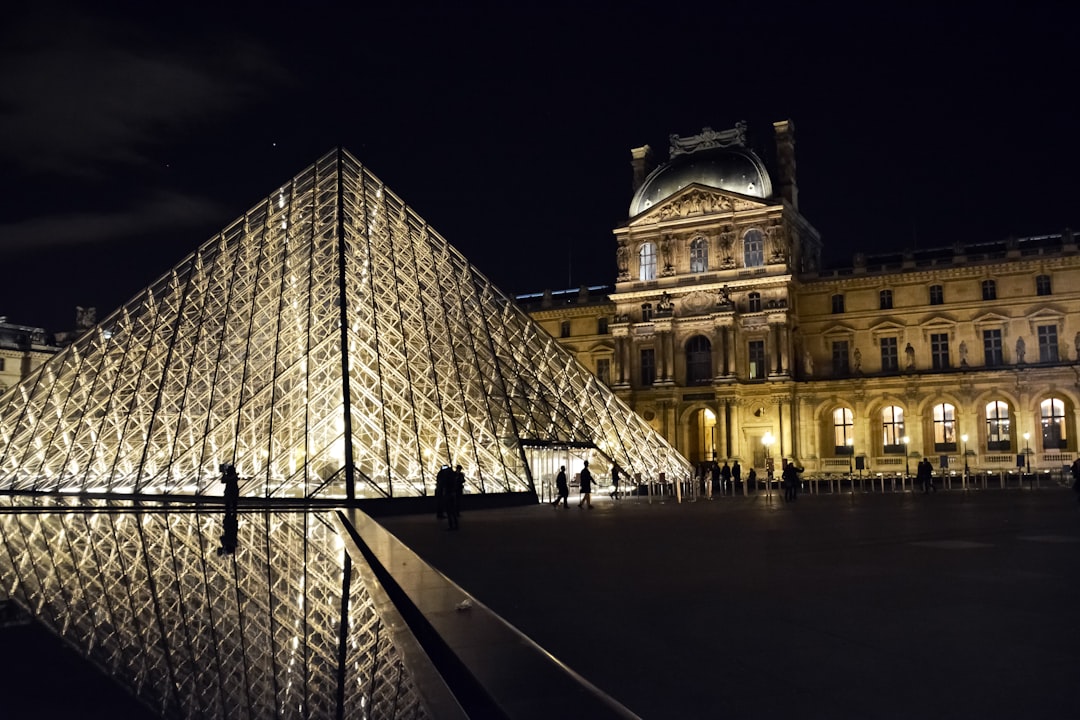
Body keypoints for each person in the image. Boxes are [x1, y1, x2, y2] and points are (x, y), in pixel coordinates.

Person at [446, 464, 465, 530]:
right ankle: (455, 523)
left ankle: (453, 524)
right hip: (455, 492)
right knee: (455, 505)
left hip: (454, 492)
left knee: (455, 505)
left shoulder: (459, 475)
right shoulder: (455, 475)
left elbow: (462, 480)